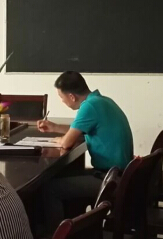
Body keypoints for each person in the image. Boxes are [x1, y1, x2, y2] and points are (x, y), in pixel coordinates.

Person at [36, 71, 133, 230]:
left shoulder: (89, 107)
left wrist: (60, 139)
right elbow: (81, 129)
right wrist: (54, 127)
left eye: (61, 97)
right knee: (64, 177)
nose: (62, 101)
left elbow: (67, 143)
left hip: (111, 181)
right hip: (120, 174)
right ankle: (76, 231)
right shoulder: (102, 101)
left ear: (72, 96)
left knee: (50, 189)